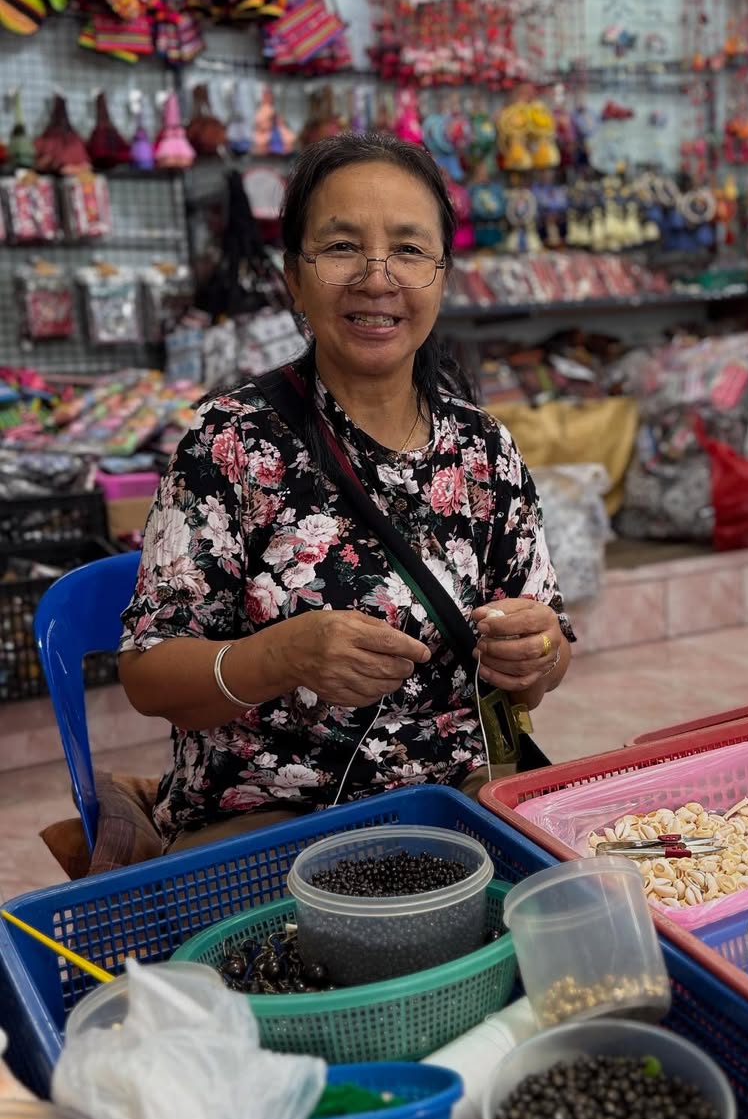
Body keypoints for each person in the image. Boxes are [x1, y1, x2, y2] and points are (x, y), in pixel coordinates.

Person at [118, 133, 573, 851]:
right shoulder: (232, 442)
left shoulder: (485, 450)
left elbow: (544, 653)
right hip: (271, 827)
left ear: (443, 276)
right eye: (340, 247)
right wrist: (281, 657)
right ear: (294, 278)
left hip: (455, 807)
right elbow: (147, 675)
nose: (375, 277)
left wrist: (537, 655)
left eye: (409, 250)